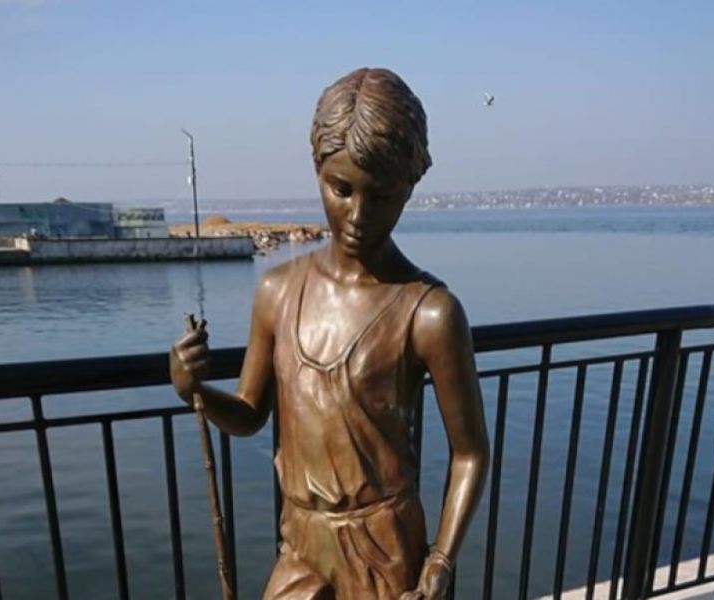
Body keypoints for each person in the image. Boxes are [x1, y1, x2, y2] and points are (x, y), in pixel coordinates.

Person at [170, 67, 490, 600]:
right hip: (299, 541)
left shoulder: (430, 313)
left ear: (409, 188)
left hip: (385, 552)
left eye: (381, 196)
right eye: (341, 189)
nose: (358, 214)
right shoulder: (277, 291)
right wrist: (194, 390)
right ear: (317, 169)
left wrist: (439, 562)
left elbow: (471, 452)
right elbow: (250, 413)